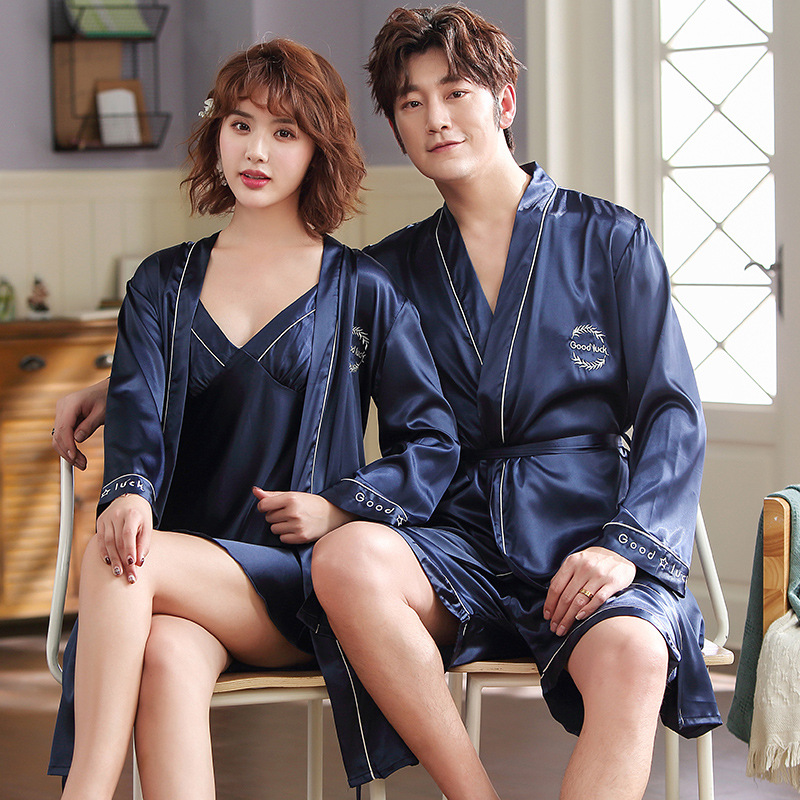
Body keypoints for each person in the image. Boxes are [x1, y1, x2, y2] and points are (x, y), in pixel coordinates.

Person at [52, 7, 722, 800]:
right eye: (411, 102)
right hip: (457, 539)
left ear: (505, 101)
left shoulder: (610, 241)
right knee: (331, 564)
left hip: (586, 530)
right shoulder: (391, 269)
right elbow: (286, 317)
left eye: (456, 92)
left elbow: (672, 411)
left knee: (635, 652)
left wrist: (625, 547)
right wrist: (127, 380)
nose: (435, 117)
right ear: (395, 130)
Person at [47, 38, 460, 800]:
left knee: (120, 556)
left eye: (284, 132)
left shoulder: (361, 289)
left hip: (293, 587)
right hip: (178, 584)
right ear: (217, 132)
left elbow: (432, 443)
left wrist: (342, 509)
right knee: (164, 652)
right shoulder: (161, 285)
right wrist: (129, 490)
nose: (256, 151)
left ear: (318, 149)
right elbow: (136, 408)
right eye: (240, 125)